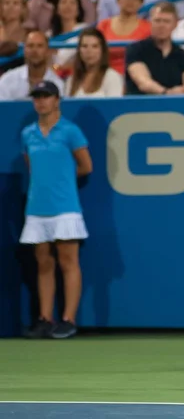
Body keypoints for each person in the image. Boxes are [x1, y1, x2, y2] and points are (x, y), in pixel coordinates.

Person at [20, 80, 93, 339]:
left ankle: (68, 319)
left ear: (57, 99)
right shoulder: (28, 133)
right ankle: (44, 318)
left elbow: (85, 166)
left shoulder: (70, 131)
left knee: (68, 261)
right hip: (37, 208)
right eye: (37, 97)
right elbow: (32, 167)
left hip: (65, 206)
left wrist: (61, 178)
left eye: (46, 96)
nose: (41, 101)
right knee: (43, 263)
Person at [125, 1, 184, 95]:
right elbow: (144, 83)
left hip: (175, 106)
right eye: (157, 20)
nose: (161, 26)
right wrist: (167, 93)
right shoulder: (135, 50)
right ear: (150, 22)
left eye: (166, 21)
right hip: (141, 106)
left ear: (175, 24)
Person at [0, 31, 64, 100]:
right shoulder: (8, 79)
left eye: (40, 46)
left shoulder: (57, 84)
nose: (34, 50)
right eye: (30, 46)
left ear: (47, 51)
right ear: (24, 50)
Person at [66, 27, 124, 98]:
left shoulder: (111, 77)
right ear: (79, 50)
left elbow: (114, 107)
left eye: (95, 46)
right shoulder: (71, 80)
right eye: (84, 46)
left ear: (102, 50)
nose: (89, 51)